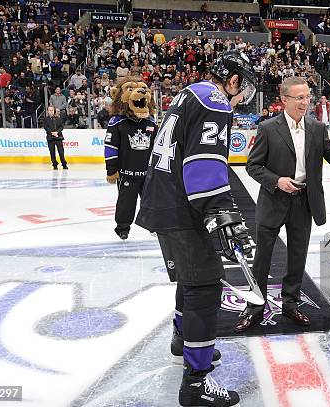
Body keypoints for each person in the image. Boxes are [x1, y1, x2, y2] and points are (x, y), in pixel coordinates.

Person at [136, 50, 257, 407]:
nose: (241, 99)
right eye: (243, 90)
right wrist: (218, 211)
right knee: (204, 286)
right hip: (182, 208)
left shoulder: (190, 91)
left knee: (190, 279)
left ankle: (182, 339)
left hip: (163, 200)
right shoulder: (216, 100)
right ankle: (196, 383)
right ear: (232, 80)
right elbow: (202, 164)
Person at [235, 76, 330, 332]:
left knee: (297, 256)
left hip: (304, 201)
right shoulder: (268, 128)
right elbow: (253, 166)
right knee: (262, 258)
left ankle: (290, 304)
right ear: (284, 99)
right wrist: (277, 180)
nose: (305, 102)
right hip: (274, 200)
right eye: (299, 97)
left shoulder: (316, 127)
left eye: (307, 97)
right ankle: (255, 307)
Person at [104, 77, 157, 240]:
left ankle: (154, 225)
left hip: (147, 173)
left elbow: (157, 147)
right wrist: (112, 170)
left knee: (152, 202)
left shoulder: (151, 121)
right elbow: (111, 147)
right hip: (126, 173)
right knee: (126, 203)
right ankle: (122, 227)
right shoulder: (117, 122)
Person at [43, 106, 68, 170]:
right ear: (47, 111)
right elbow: (46, 127)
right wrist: (52, 133)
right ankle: (54, 164)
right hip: (50, 138)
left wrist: (57, 132)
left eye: (52, 110)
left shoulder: (58, 118)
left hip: (58, 137)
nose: (51, 111)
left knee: (61, 152)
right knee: (52, 152)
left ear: (54, 111)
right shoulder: (46, 119)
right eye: (49, 110)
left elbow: (61, 127)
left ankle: (64, 164)